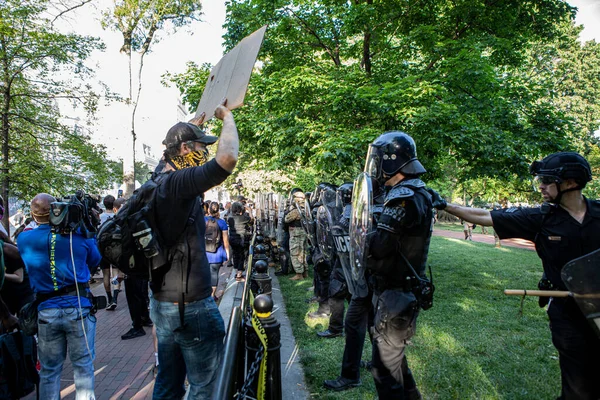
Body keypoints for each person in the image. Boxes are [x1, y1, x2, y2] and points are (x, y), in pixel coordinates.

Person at [429, 151, 600, 400]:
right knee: (577, 384)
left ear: (570, 183)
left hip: (598, 309)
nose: (540, 186)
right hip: (566, 311)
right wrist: (445, 205)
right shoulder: (539, 218)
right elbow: (485, 216)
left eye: (546, 180)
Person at [149, 101, 237, 399]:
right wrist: (227, 118)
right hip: (191, 307)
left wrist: (193, 127)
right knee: (206, 386)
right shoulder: (177, 183)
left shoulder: (159, 179)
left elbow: (172, 156)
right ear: (186, 150)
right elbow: (226, 159)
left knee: (167, 383)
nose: (206, 152)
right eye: (201, 146)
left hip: (164, 303)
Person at [365, 131, 433, 399]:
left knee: (384, 369)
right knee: (394, 360)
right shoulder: (417, 191)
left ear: (391, 161)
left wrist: (363, 233)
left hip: (397, 292)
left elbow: (381, 246)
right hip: (399, 289)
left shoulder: (402, 197)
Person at [18, 193, 101, 399]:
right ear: (57, 208)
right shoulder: (77, 235)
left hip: (46, 311)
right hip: (78, 308)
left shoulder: (24, 239)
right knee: (82, 367)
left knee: (49, 371)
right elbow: (96, 259)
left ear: (33, 215)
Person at [99, 195, 122, 310]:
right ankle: (115, 298)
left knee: (106, 275)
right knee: (116, 274)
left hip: (103, 250)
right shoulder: (117, 216)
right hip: (115, 249)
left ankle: (109, 299)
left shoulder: (100, 217)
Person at [205, 201, 230, 297]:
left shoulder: (203, 220)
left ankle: (207, 295)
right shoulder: (222, 223)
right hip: (217, 253)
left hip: (204, 253)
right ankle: (212, 295)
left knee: (206, 274)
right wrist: (227, 253)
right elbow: (225, 240)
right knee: (214, 273)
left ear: (208, 209)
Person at [284, 190, 308, 280]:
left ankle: (299, 274)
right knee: (303, 252)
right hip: (303, 232)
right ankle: (305, 271)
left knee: (295, 253)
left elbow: (286, 219)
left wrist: (288, 210)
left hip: (296, 233)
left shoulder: (296, 210)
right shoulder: (305, 209)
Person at [227, 201, 252, 280]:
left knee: (235, 255)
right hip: (241, 239)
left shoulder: (229, 217)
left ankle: (236, 271)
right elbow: (251, 220)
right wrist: (250, 210)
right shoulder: (243, 218)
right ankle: (239, 274)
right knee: (241, 256)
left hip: (232, 239)